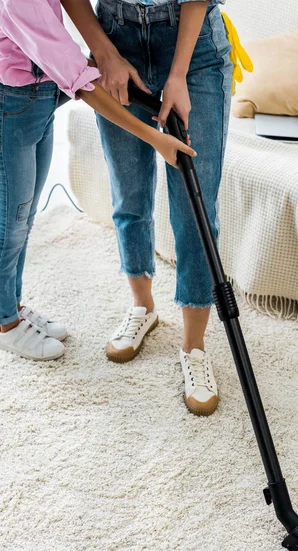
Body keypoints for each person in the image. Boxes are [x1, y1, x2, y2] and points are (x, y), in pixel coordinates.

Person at [0, 0, 195, 362]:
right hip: (11, 106)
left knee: (22, 220)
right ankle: (6, 323)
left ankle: (12, 304)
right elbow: (76, 78)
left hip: (39, 100)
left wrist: (110, 65)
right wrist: (154, 137)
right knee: (8, 225)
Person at [65, 0, 233, 416]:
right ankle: (143, 306)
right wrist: (104, 52)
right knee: (129, 191)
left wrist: (177, 75)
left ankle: (194, 347)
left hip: (194, 50)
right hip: (115, 36)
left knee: (195, 210)